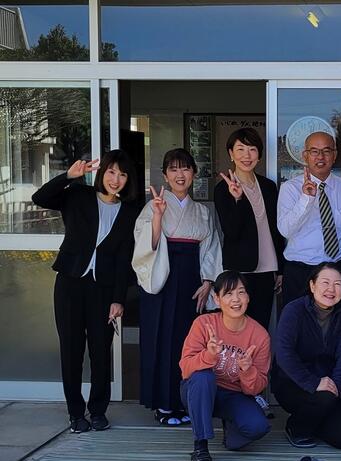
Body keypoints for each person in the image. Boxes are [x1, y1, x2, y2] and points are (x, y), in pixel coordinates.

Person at [32, 151, 139, 433]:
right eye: (111, 172)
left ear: (128, 180)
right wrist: (68, 176)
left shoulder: (129, 211)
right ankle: (76, 414)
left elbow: (124, 259)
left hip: (103, 289)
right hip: (70, 283)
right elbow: (40, 198)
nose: (116, 179)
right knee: (71, 351)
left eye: (123, 174)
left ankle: (98, 411)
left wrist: (118, 299)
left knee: (101, 352)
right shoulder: (78, 195)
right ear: (102, 173)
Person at [133, 148, 223, 426]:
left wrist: (208, 281)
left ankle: (185, 402)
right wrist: (158, 216)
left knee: (190, 343)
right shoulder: (153, 206)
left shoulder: (202, 211)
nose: (180, 174)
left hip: (192, 284)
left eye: (185, 168)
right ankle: (164, 404)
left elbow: (211, 248)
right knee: (162, 341)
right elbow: (146, 245)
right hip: (162, 280)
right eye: (173, 169)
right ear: (165, 175)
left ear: (194, 172)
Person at [178, 271, 271, 461]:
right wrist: (209, 355)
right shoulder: (203, 324)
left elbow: (256, 388)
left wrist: (247, 370)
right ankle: (201, 446)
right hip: (199, 390)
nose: (236, 299)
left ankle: (230, 429)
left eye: (241, 292)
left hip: (233, 395)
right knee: (203, 377)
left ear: (248, 297)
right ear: (217, 299)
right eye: (228, 293)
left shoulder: (260, 335)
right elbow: (185, 368)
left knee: (258, 427)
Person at [272, 263, 341, 449]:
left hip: (328, 386)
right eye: (325, 282)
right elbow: (284, 354)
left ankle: (314, 420)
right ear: (312, 285)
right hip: (293, 383)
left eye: (337, 284)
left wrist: (336, 388)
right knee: (324, 398)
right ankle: (296, 427)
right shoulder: (294, 310)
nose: (331, 289)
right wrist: (313, 383)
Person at [214, 128, 285, 331]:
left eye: (252, 149)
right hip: (239, 269)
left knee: (261, 326)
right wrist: (237, 199)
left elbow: (276, 230)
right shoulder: (222, 189)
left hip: (267, 268)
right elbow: (231, 231)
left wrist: (280, 269)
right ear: (231, 154)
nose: (247, 155)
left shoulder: (269, 186)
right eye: (240, 149)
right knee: (237, 326)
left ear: (259, 155)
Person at [277, 131, 341, 306]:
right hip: (300, 272)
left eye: (326, 151)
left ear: (334, 155)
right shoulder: (290, 188)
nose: (320, 157)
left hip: (337, 270)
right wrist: (306, 199)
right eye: (314, 151)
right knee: (298, 322)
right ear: (305, 156)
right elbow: (285, 230)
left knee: (337, 322)